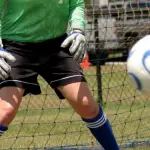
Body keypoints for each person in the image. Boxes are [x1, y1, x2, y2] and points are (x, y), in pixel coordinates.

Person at [0, 0, 119, 149]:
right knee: (5, 112)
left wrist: (77, 30)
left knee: (87, 105)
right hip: (15, 47)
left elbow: (76, 3)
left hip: (57, 46)